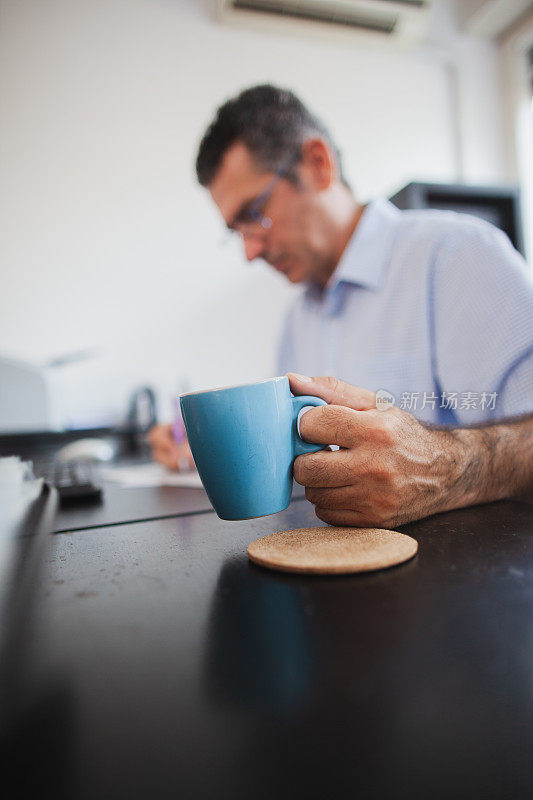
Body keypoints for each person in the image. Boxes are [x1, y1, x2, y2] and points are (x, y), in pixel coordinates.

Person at [149, 84, 533, 526]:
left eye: (254, 213)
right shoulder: (298, 318)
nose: (249, 251)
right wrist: (206, 449)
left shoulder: (459, 255)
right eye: (236, 231)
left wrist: (442, 466)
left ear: (318, 164)